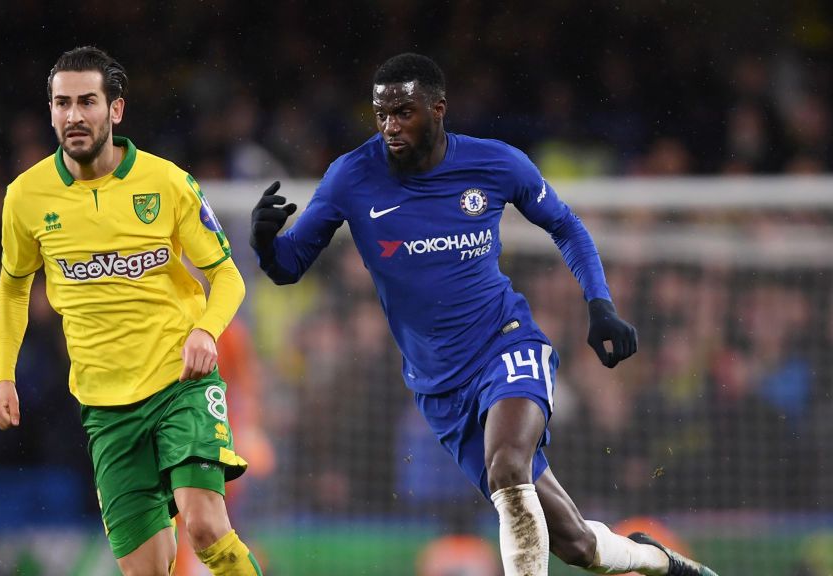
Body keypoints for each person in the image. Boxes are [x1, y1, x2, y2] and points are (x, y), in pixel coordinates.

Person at [249, 52, 718, 576]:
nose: (390, 126)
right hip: (439, 385)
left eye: (403, 112)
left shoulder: (494, 163)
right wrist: (267, 244)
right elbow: (290, 266)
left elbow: (565, 226)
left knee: (507, 465)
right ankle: (659, 562)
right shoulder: (351, 177)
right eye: (381, 114)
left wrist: (599, 303)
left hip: (507, 343)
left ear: (439, 108)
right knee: (575, 545)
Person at [0, 46, 262, 576]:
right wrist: (3, 377)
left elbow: (225, 274)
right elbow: (12, 289)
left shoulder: (167, 183)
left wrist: (205, 331)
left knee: (204, 525)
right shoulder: (25, 197)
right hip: (105, 407)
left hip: (180, 383)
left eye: (87, 101)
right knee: (145, 569)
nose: (73, 116)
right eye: (61, 103)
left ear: (115, 110)